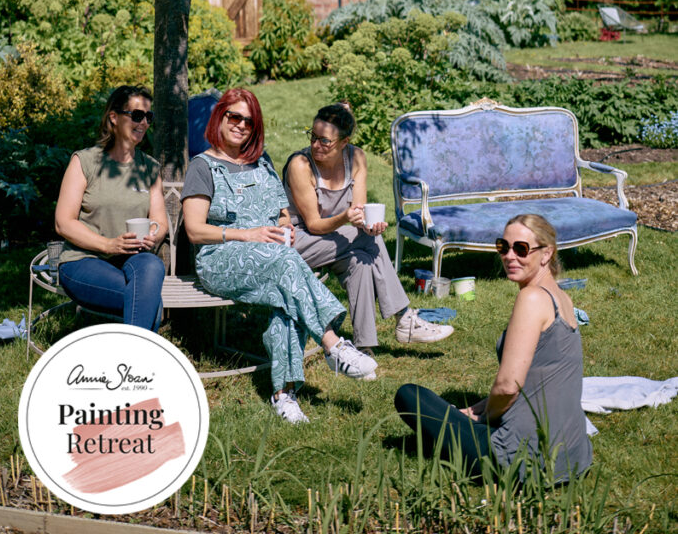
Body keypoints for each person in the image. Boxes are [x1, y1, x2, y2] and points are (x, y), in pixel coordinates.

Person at [181, 88, 378, 425]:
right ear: (220, 118)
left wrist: (285, 226)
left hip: (269, 257)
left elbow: (282, 212)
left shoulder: (262, 162)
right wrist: (248, 234)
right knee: (287, 269)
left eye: (249, 120)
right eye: (234, 117)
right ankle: (333, 344)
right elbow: (195, 230)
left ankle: (284, 395)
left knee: (284, 292)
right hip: (221, 258)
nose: (241, 125)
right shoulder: (203, 166)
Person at [395, 214, 592, 482]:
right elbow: (535, 384)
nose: (509, 256)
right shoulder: (561, 298)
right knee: (454, 412)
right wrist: (476, 409)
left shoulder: (532, 298)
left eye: (521, 249)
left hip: (523, 460)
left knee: (410, 396)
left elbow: (509, 387)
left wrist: (484, 416)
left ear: (546, 254)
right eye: (503, 247)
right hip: (572, 455)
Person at [283, 102, 453, 356]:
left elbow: (360, 213)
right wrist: (349, 221)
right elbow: (314, 225)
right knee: (362, 240)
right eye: (313, 137)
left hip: (339, 239)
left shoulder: (357, 158)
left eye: (325, 141)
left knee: (362, 260)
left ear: (344, 142)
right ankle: (404, 318)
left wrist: (371, 227)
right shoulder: (301, 165)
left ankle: (365, 347)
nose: (316, 145)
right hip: (298, 240)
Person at [55, 85, 167, 332]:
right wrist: (108, 245)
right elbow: (63, 222)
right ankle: (137, 366)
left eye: (149, 117)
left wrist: (153, 234)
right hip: (83, 260)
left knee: (153, 265)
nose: (144, 123)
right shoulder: (85, 161)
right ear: (113, 118)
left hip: (131, 259)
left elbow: (159, 220)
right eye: (137, 115)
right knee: (150, 304)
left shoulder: (149, 168)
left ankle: (127, 364)